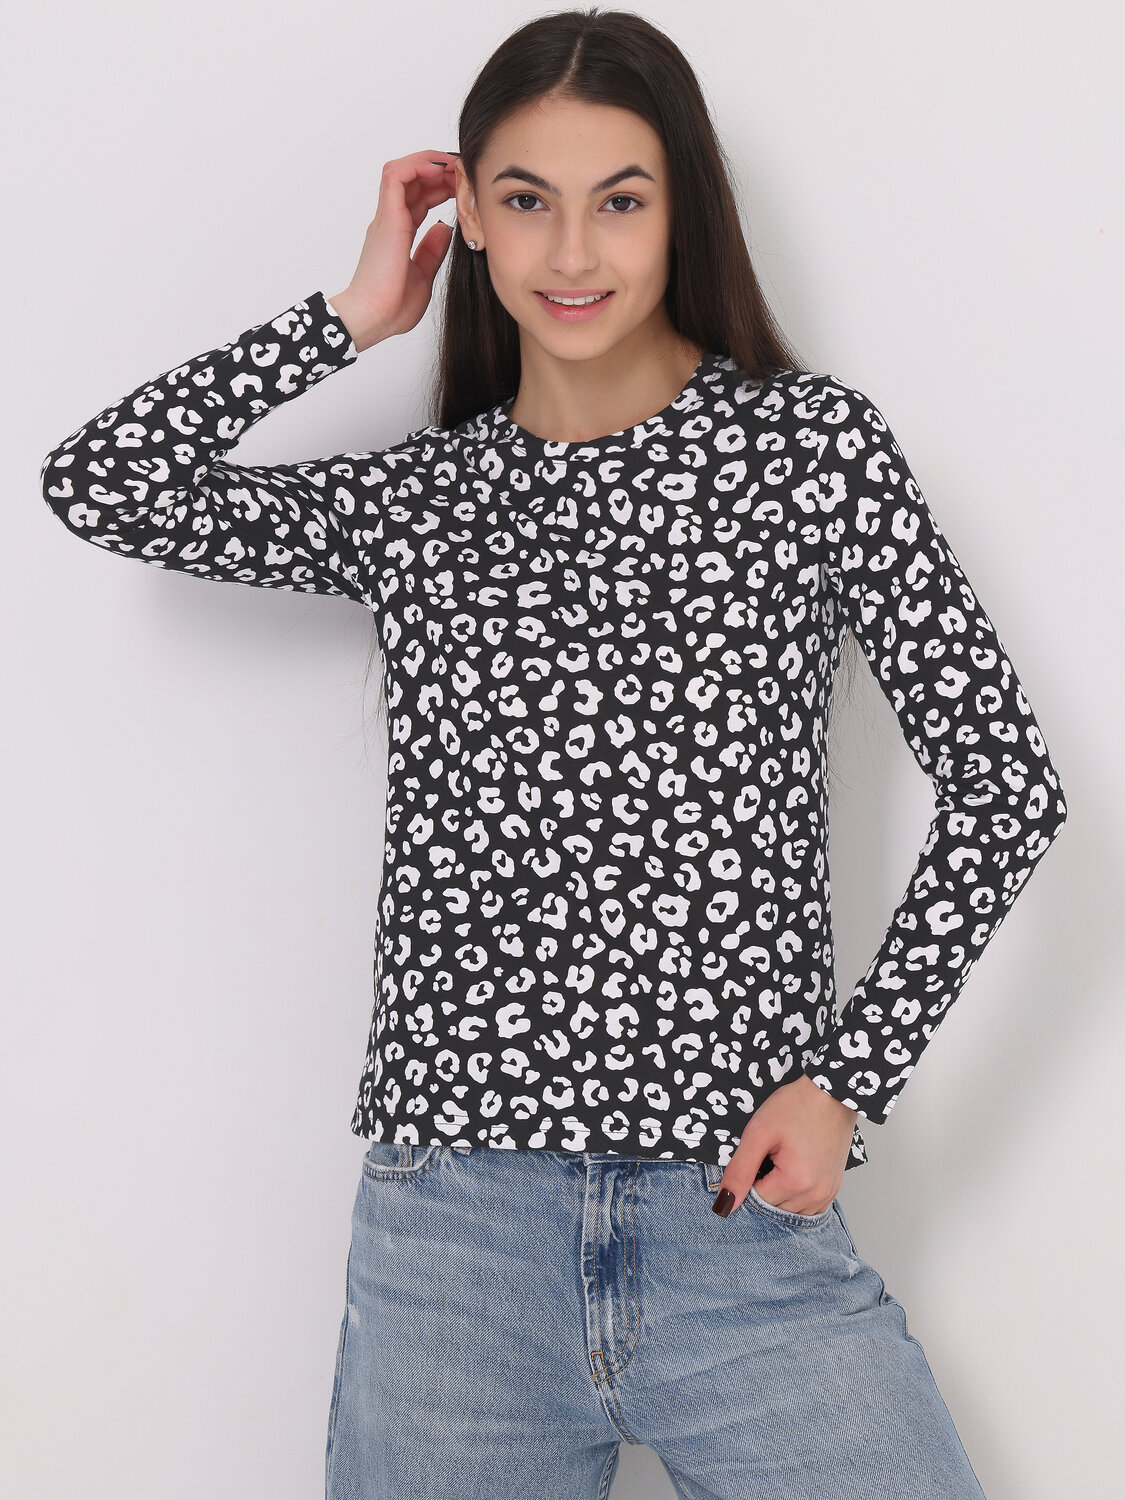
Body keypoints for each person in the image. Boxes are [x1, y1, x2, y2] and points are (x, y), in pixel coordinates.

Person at [39, 9, 1067, 1499]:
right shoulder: (424, 504)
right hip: (454, 1239)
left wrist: (849, 1079)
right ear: (468, 212)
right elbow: (103, 482)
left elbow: (1003, 784)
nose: (571, 251)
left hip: (736, 1220)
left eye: (621, 200)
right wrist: (351, 315)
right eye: (525, 198)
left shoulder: (810, 456)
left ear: (683, 211)